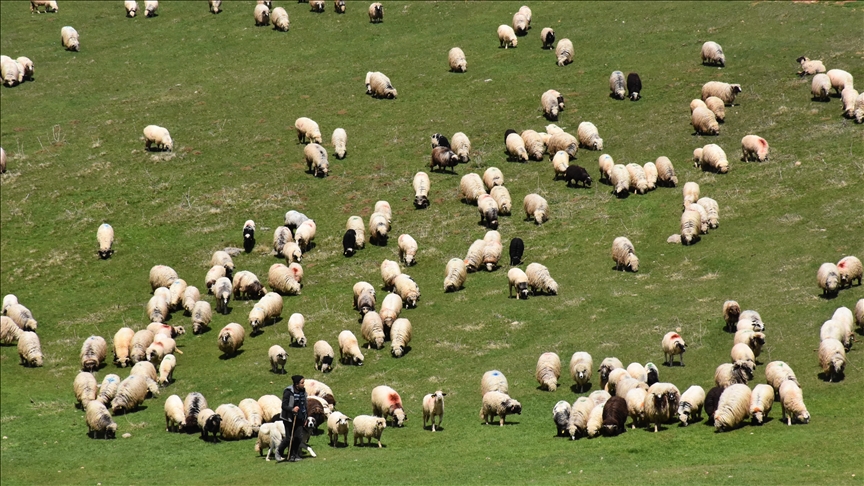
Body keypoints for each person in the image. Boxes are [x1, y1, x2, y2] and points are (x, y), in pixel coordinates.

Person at [274, 375, 307, 462]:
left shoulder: (303, 391)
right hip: (288, 418)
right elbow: (284, 405)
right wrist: (292, 409)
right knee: (289, 438)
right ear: (296, 384)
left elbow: (304, 404)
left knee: (298, 437)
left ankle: (294, 455)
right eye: (302, 383)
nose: (304, 385)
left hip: (299, 417)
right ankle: (278, 452)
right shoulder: (288, 392)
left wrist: (305, 417)